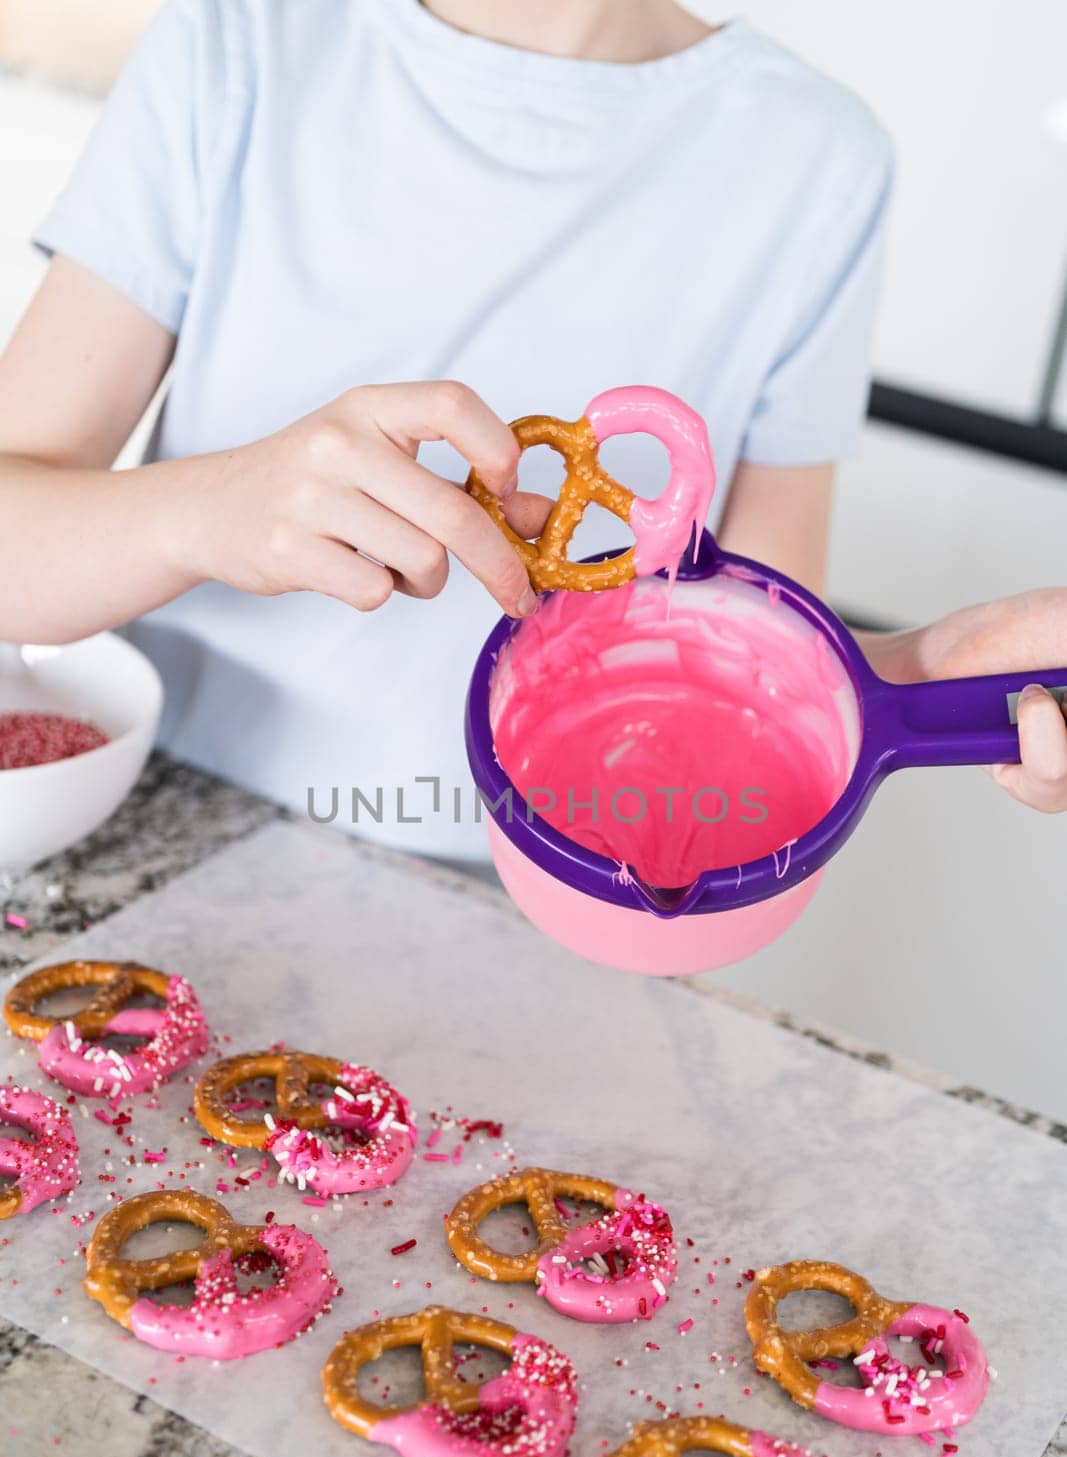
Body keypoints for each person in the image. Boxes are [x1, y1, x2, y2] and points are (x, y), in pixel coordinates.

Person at [0, 0, 1063, 859]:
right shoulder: (239, 39)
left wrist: (927, 667)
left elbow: (751, 682)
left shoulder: (817, 162)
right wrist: (208, 510)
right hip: (162, 834)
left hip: (544, 908)